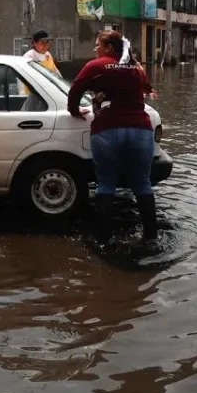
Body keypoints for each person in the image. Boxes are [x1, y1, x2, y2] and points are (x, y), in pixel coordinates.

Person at [67, 30, 160, 248]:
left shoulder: (95, 66)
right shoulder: (136, 67)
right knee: (143, 183)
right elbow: (147, 90)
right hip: (140, 129)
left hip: (107, 129)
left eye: (97, 45)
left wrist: (73, 111)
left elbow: (75, 91)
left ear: (108, 48)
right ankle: (151, 238)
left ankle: (103, 239)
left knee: (106, 183)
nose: (95, 49)